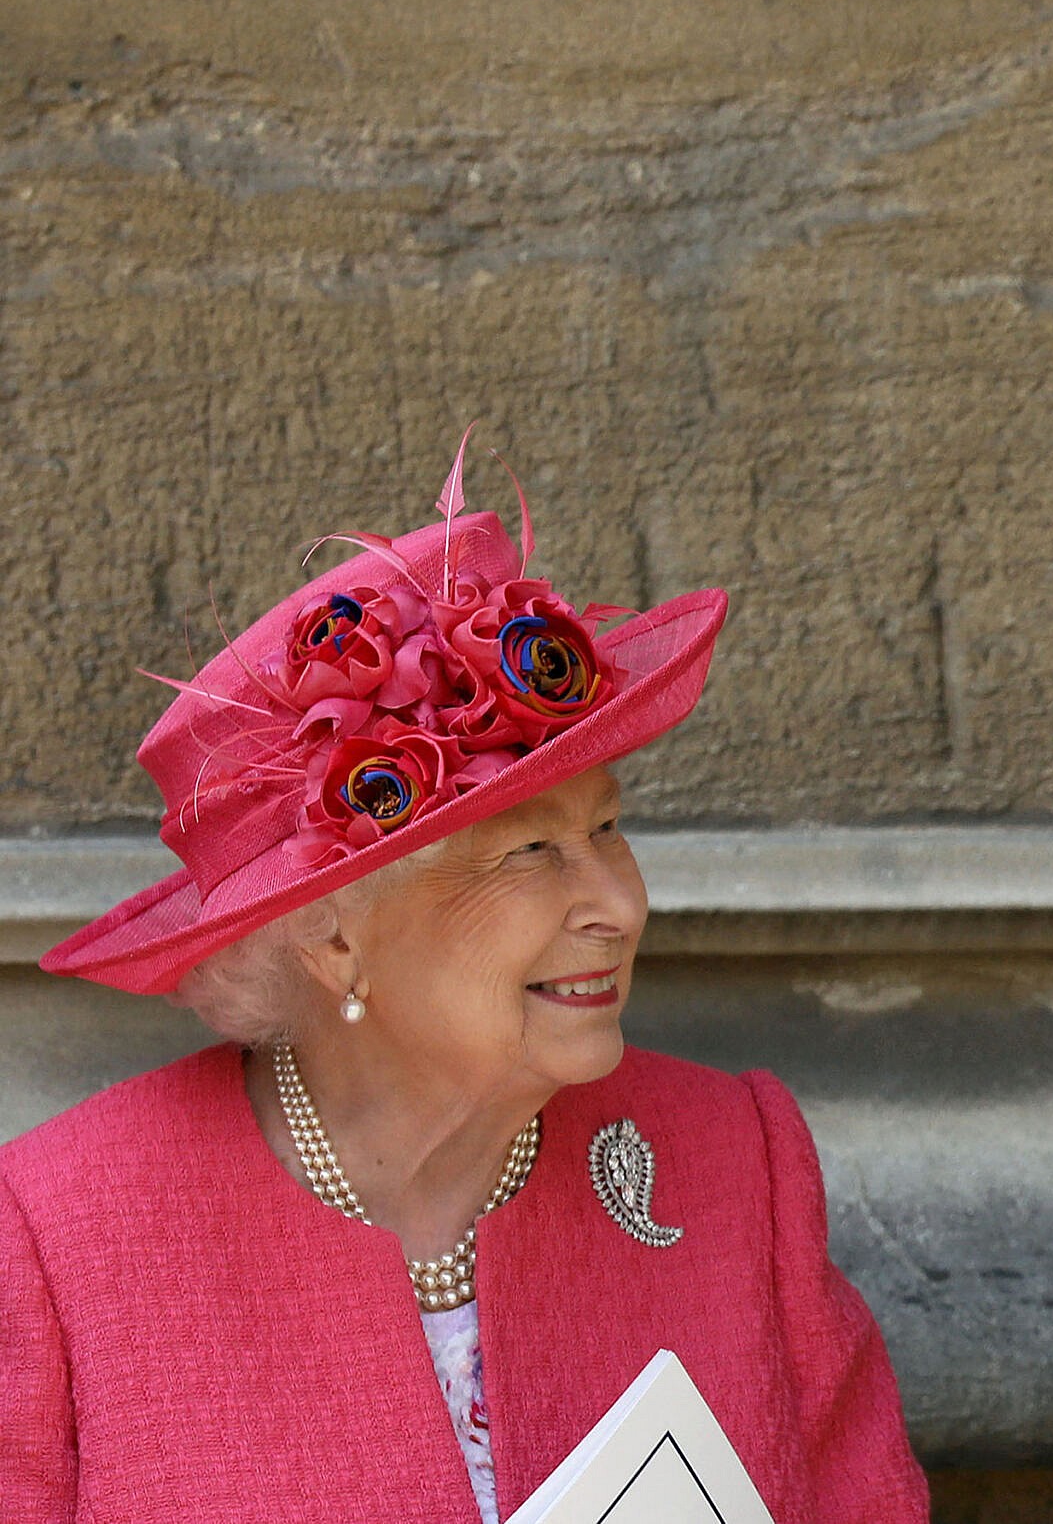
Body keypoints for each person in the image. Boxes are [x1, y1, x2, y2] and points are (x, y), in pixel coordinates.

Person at [0, 440, 930, 1524]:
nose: (618, 906)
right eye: (529, 852)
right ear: (332, 937)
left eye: (607, 827)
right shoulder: (57, 1240)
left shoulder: (736, 1162)